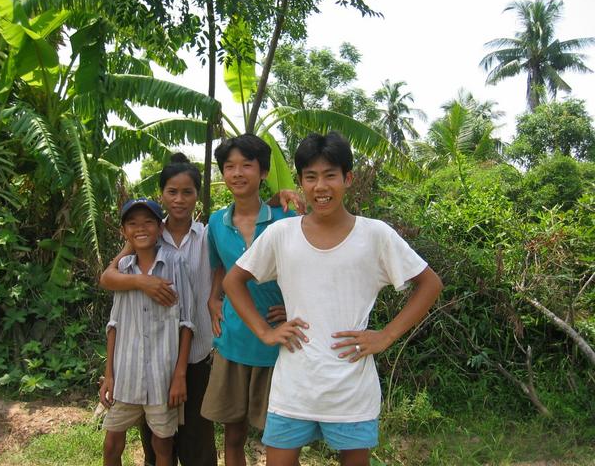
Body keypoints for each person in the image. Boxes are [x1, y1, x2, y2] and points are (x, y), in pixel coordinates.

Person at [222, 132, 443, 466]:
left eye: (330, 176)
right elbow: (233, 281)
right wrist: (265, 333)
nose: (320, 187)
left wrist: (385, 336)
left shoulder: (375, 235)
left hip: (351, 386)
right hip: (294, 384)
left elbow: (429, 284)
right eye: (310, 177)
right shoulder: (282, 234)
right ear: (300, 181)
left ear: (347, 178)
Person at [100, 153, 302, 466]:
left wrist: (276, 199)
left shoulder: (209, 233)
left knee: (197, 434)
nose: (179, 200)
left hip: (199, 351)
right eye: (171, 192)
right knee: (158, 436)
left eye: (187, 192)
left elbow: (231, 255)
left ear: (197, 195)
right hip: (154, 353)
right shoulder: (148, 235)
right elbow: (109, 277)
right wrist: (143, 282)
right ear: (162, 195)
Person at [200, 134, 297, 466]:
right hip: (234, 338)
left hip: (277, 342)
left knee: (281, 438)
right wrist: (214, 299)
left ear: (264, 172)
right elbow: (219, 267)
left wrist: (298, 307)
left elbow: (306, 271)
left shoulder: (286, 219)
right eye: (229, 167)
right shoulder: (215, 222)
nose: (237, 173)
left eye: (246, 165)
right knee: (233, 434)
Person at [100, 198, 195, 466]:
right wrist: (109, 375)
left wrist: (179, 375)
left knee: (162, 444)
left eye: (148, 222)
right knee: (111, 444)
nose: (140, 228)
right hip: (126, 374)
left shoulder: (175, 262)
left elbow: (187, 323)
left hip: (161, 378)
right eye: (132, 223)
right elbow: (113, 325)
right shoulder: (123, 269)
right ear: (124, 232)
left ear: (159, 227)